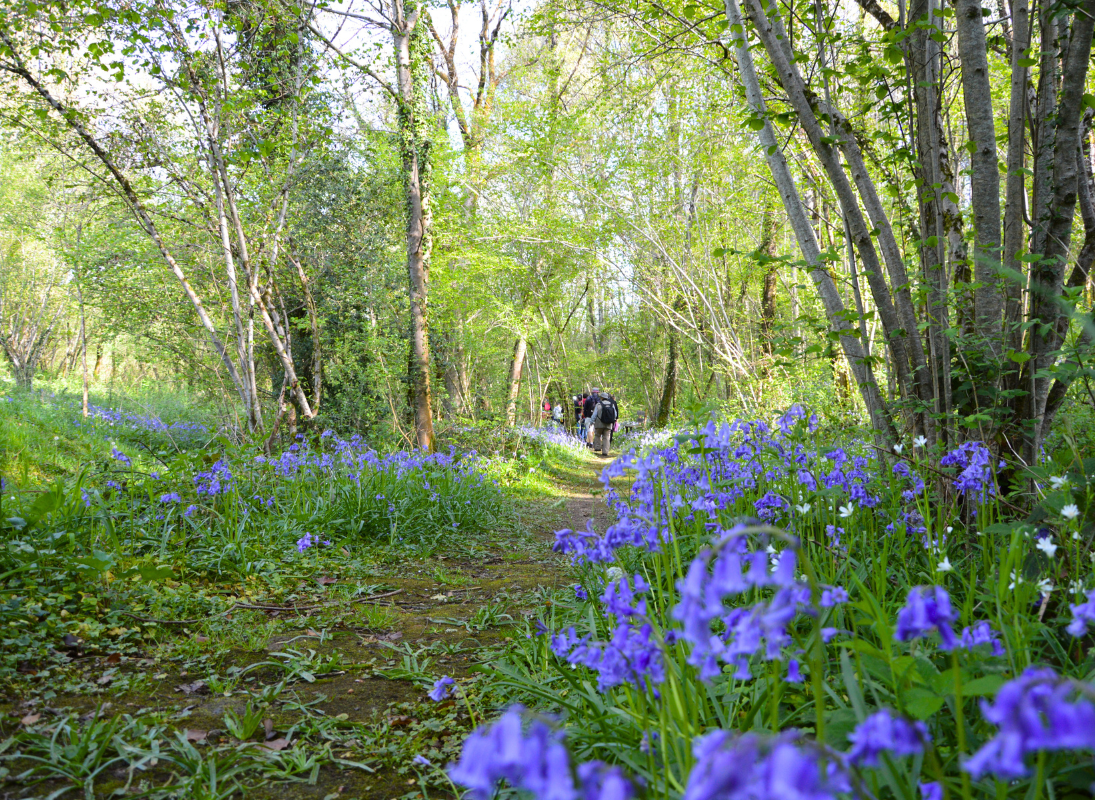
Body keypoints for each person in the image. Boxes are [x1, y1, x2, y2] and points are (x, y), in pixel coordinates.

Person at [590, 391, 619, 457]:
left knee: (597, 435)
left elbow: (594, 415)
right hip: (608, 424)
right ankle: (605, 451)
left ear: (601, 398)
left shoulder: (598, 404)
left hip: (599, 423)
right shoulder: (612, 405)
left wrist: (591, 422)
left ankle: (597, 448)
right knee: (606, 437)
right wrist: (612, 421)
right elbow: (615, 414)